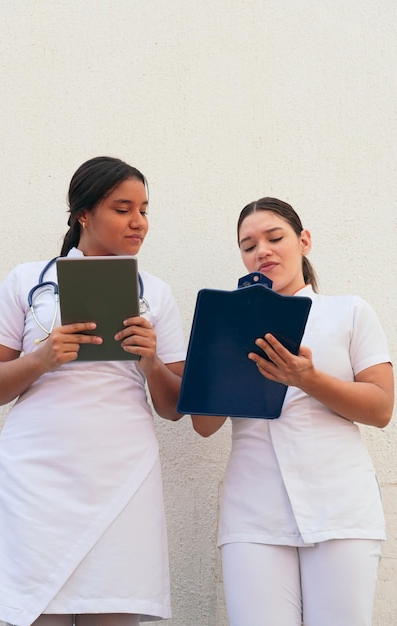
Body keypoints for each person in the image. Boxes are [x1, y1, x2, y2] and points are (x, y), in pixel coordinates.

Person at [0, 156, 186, 626]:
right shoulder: (27, 281)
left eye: (145, 209)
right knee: (38, 612)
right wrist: (40, 360)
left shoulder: (155, 294)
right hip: (38, 479)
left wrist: (150, 360)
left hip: (123, 477)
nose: (139, 222)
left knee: (112, 614)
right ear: (84, 215)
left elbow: (174, 409)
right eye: (123, 208)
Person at [191, 197, 394, 626]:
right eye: (248, 245)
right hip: (254, 512)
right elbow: (203, 426)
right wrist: (220, 353)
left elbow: (381, 407)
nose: (261, 250)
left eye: (274, 237)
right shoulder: (227, 323)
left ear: (304, 241)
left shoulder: (349, 311)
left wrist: (308, 379)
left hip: (341, 509)